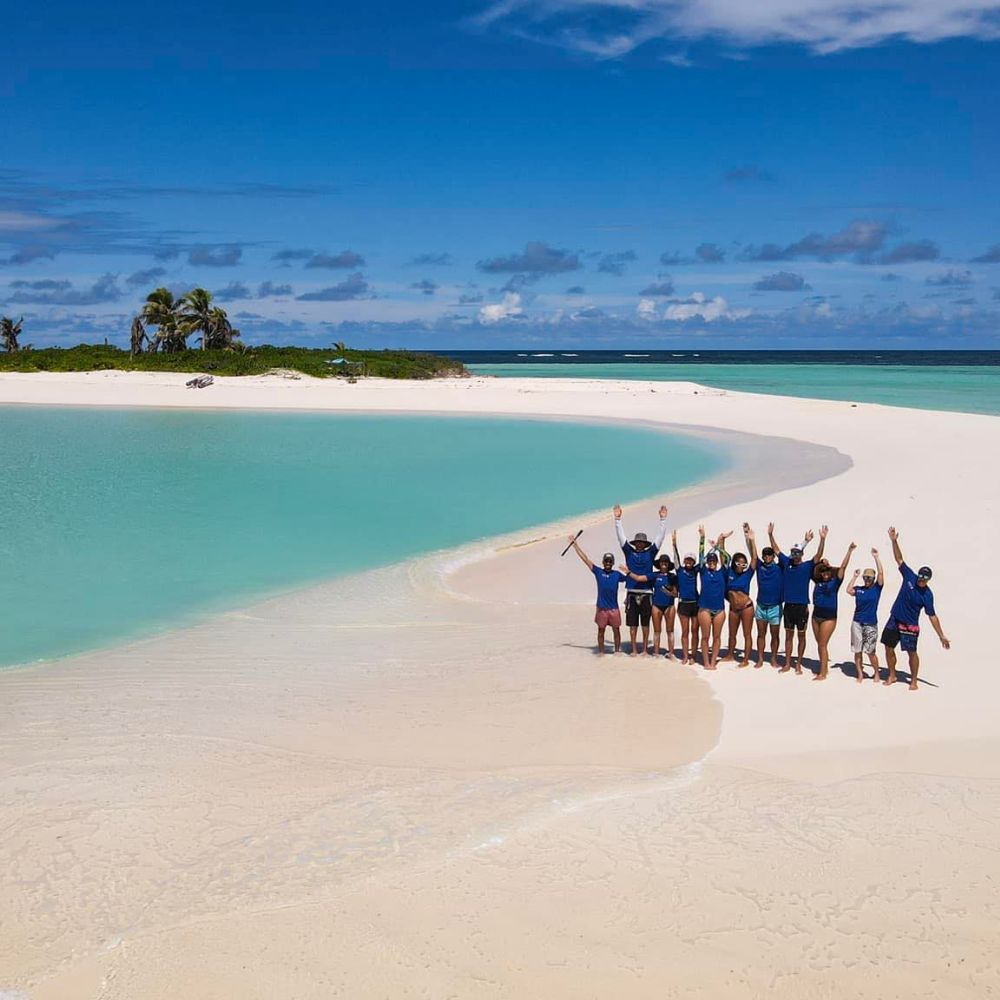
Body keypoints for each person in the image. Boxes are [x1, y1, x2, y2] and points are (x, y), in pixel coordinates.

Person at [881, 526, 950, 690]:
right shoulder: (909, 577)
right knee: (888, 647)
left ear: (928, 579)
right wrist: (894, 541)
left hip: (910, 625)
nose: (922, 579)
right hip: (895, 618)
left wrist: (941, 635)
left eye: (925, 577)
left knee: (911, 653)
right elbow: (899, 559)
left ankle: (913, 681)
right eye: (921, 575)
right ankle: (892, 674)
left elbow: (932, 616)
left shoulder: (927, 594)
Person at [768, 522, 826, 674]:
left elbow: (818, 556)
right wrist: (770, 535)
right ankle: (787, 663)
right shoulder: (787, 563)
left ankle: (798, 663)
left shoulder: (807, 566)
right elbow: (776, 550)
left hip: (802, 606)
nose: (794, 555)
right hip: (788, 606)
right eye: (793, 553)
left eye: (797, 553)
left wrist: (822, 539)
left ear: (802, 554)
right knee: (788, 635)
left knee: (801, 636)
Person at [614, 503, 669, 656]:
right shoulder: (629, 552)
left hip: (647, 593)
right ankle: (633, 649)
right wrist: (617, 520)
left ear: (645, 544)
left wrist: (663, 520)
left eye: (641, 543)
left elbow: (660, 538)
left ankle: (644, 649)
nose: (639, 544)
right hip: (631, 593)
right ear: (634, 543)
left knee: (645, 623)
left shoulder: (650, 553)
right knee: (632, 625)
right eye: (637, 542)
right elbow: (621, 539)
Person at [568, 535, 626, 655]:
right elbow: (586, 560)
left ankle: (617, 651)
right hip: (602, 608)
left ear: (613, 563)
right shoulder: (598, 572)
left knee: (616, 630)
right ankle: (601, 652)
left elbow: (631, 580)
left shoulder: (617, 574)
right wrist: (575, 545)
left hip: (614, 608)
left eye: (610, 561)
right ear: (603, 562)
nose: (608, 563)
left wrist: (628, 570)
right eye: (606, 561)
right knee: (601, 631)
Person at [810, 541, 855, 682]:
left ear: (830, 572)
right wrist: (822, 564)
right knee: (820, 643)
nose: (825, 573)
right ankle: (823, 667)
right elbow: (812, 567)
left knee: (822, 644)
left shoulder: (835, 582)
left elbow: (842, 568)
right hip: (816, 615)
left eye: (827, 571)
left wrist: (849, 551)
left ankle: (823, 673)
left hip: (829, 617)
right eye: (823, 572)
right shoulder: (817, 581)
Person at [719, 523, 757, 666]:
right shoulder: (728, 572)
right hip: (734, 608)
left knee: (747, 634)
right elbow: (722, 556)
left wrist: (752, 540)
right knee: (732, 634)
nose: (742, 566)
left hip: (747, 607)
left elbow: (754, 559)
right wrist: (722, 540)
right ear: (734, 563)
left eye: (744, 564)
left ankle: (746, 660)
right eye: (739, 563)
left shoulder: (748, 574)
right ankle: (730, 654)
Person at [846, 549, 885, 684]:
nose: (867, 580)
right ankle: (860, 674)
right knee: (857, 650)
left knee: (870, 651)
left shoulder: (876, 589)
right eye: (865, 577)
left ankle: (876, 673)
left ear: (873, 579)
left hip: (870, 623)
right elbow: (848, 590)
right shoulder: (859, 589)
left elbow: (881, 574)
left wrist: (876, 557)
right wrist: (855, 576)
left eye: (869, 578)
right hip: (857, 622)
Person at [697, 526, 730, 670]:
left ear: (716, 563)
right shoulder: (703, 572)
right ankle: (706, 662)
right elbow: (700, 555)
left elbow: (728, 558)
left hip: (719, 610)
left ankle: (713, 661)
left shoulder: (722, 573)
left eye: (713, 562)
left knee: (717, 637)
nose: (711, 563)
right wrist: (703, 538)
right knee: (705, 637)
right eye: (709, 562)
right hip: (704, 608)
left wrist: (718, 547)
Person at [752, 530, 784, 668]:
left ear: (773, 557)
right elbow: (753, 555)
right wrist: (751, 539)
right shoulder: (759, 566)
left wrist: (771, 535)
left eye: (769, 555)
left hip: (775, 607)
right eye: (765, 555)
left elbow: (778, 551)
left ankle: (773, 658)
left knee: (775, 635)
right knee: (761, 634)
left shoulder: (780, 567)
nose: (766, 557)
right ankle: (760, 658)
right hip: (761, 606)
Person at [672, 529, 701, 665]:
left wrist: (702, 539)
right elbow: (675, 557)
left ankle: (693, 656)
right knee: (685, 632)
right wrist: (674, 543)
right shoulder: (679, 570)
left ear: (693, 562)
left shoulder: (695, 570)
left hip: (695, 603)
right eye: (687, 560)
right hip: (683, 604)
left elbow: (702, 558)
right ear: (684, 561)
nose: (688, 562)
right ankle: (685, 656)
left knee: (695, 631)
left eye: (691, 560)